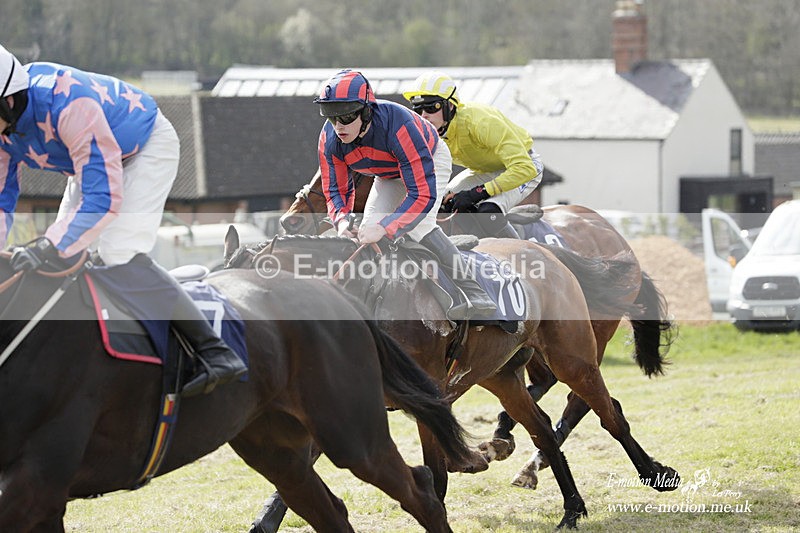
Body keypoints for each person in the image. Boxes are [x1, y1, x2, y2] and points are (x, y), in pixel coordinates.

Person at [0, 44, 244, 396]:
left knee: (118, 252)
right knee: (64, 255)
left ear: (8, 100)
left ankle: (215, 351)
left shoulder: (68, 104)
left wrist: (48, 243)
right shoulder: (6, 123)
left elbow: (104, 199)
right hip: (90, 163)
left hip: (144, 149)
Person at [314, 68, 496, 319]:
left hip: (429, 159)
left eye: (345, 117)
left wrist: (387, 227)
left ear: (366, 110)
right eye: (331, 116)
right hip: (388, 172)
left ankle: (473, 289)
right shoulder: (329, 139)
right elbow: (336, 190)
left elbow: (421, 195)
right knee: (368, 231)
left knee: (418, 226)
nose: (338, 126)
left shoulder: (399, 127)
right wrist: (342, 221)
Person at [403, 70, 544, 239]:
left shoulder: (480, 121)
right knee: (443, 204)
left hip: (524, 167)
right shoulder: (429, 133)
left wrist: (477, 193)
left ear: (450, 106)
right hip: (482, 171)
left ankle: (519, 254)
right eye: (418, 109)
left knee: (488, 212)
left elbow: (523, 168)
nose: (424, 116)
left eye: (432, 107)